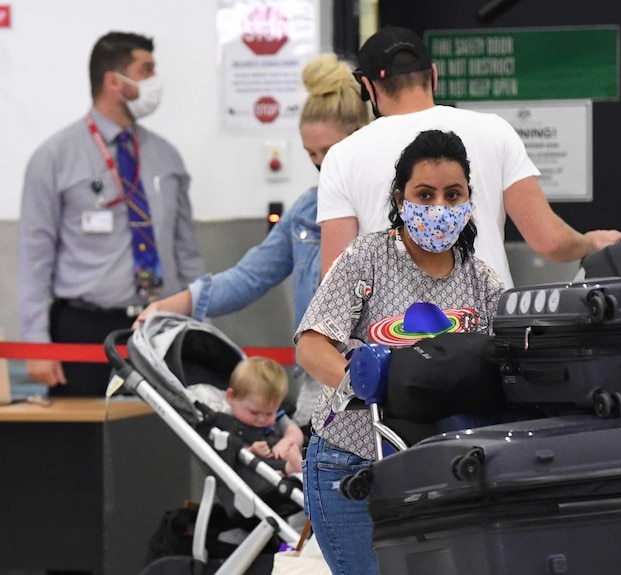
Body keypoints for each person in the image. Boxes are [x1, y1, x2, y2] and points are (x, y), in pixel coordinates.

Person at [295, 129, 507, 574]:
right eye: (424, 195)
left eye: (453, 195)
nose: (439, 209)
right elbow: (312, 347)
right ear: (400, 198)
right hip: (351, 464)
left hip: (442, 469)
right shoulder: (366, 259)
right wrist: (376, 387)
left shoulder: (482, 281)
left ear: (469, 202)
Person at [134, 54, 369, 427]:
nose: (323, 164)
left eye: (330, 151)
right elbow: (249, 276)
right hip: (318, 382)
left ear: (362, 138)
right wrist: (170, 306)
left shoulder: (389, 206)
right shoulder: (308, 209)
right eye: (311, 154)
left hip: (373, 375)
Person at [318, 26, 621, 287]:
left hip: (393, 345)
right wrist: (589, 243)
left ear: (369, 89)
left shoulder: (342, 156)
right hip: (486, 337)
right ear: (433, 75)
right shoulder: (494, 131)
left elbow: (337, 279)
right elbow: (549, 241)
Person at [18, 31, 204, 397]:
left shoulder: (166, 157)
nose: (155, 81)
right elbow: (34, 256)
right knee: (84, 450)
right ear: (114, 82)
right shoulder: (54, 157)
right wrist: (36, 344)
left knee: (152, 443)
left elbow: (187, 253)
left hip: (157, 325)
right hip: (83, 328)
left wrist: (200, 325)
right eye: (146, 70)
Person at [222, 356, 304, 475]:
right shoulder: (224, 422)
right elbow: (227, 456)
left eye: (269, 413)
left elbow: (294, 431)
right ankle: (291, 468)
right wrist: (251, 451)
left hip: (277, 459)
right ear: (231, 397)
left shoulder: (277, 417)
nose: (261, 419)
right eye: (254, 412)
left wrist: (287, 441)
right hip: (249, 469)